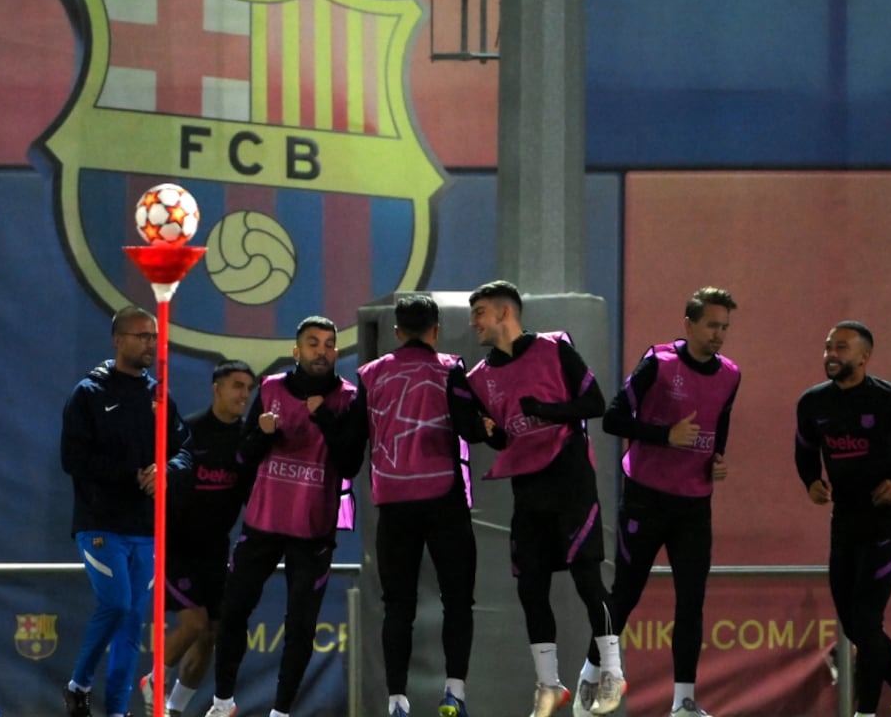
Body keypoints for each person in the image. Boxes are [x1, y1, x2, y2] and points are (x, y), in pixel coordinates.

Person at [450, 281, 621, 717]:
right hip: (527, 490)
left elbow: (595, 403)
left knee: (587, 579)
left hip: (571, 481)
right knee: (530, 587)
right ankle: (549, 685)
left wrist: (547, 410)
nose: (474, 323)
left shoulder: (555, 347)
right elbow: (486, 431)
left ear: (506, 313)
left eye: (480, 313)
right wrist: (485, 429)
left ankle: (613, 674)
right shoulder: (478, 378)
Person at [572, 287, 740, 717]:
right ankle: (592, 673)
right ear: (689, 323)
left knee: (691, 601)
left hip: (694, 505)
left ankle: (683, 701)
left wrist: (715, 462)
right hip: (646, 498)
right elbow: (612, 418)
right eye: (712, 325)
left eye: (724, 326)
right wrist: (665, 435)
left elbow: (717, 428)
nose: (719, 334)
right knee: (625, 595)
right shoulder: (659, 363)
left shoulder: (730, 374)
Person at [204, 316, 363, 717]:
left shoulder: (347, 398)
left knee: (301, 628)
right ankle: (223, 703)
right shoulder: (272, 388)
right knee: (233, 611)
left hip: (313, 533)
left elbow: (350, 465)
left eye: (330, 344)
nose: (322, 351)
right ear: (296, 351)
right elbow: (243, 457)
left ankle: (281, 712)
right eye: (313, 343)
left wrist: (325, 418)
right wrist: (261, 434)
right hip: (261, 525)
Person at [342, 295, 477, 717]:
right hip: (444, 502)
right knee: (457, 600)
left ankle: (396, 700)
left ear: (397, 331)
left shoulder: (369, 375)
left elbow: (349, 452)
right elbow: (472, 427)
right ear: (436, 330)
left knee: (397, 606)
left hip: (394, 506)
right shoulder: (452, 368)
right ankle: (454, 692)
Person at [61, 306, 192, 717]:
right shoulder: (89, 393)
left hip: (146, 526)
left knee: (132, 622)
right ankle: (79, 685)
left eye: (153, 336)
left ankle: (117, 712)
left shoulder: (159, 395)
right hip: (101, 523)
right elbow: (73, 459)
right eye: (140, 336)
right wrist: (133, 474)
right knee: (117, 604)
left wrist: (166, 472)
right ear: (117, 340)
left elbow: (184, 450)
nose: (149, 344)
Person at [795, 321, 891, 717]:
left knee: (866, 621)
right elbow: (804, 451)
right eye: (828, 347)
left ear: (864, 356)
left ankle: (866, 712)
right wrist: (812, 480)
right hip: (845, 522)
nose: (832, 354)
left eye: (842, 348)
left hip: (888, 523)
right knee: (854, 625)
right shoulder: (813, 403)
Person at [138, 360, 258, 717]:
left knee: (213, 633)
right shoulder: (187, 432)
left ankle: (175, 708)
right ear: (216, 388)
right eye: (237, 385)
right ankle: (153, 681)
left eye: (249, 388)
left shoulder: (247, 440)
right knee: (194, 623)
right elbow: (153, 477)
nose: (244, 394)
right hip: (176, 546)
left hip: (215, 549)